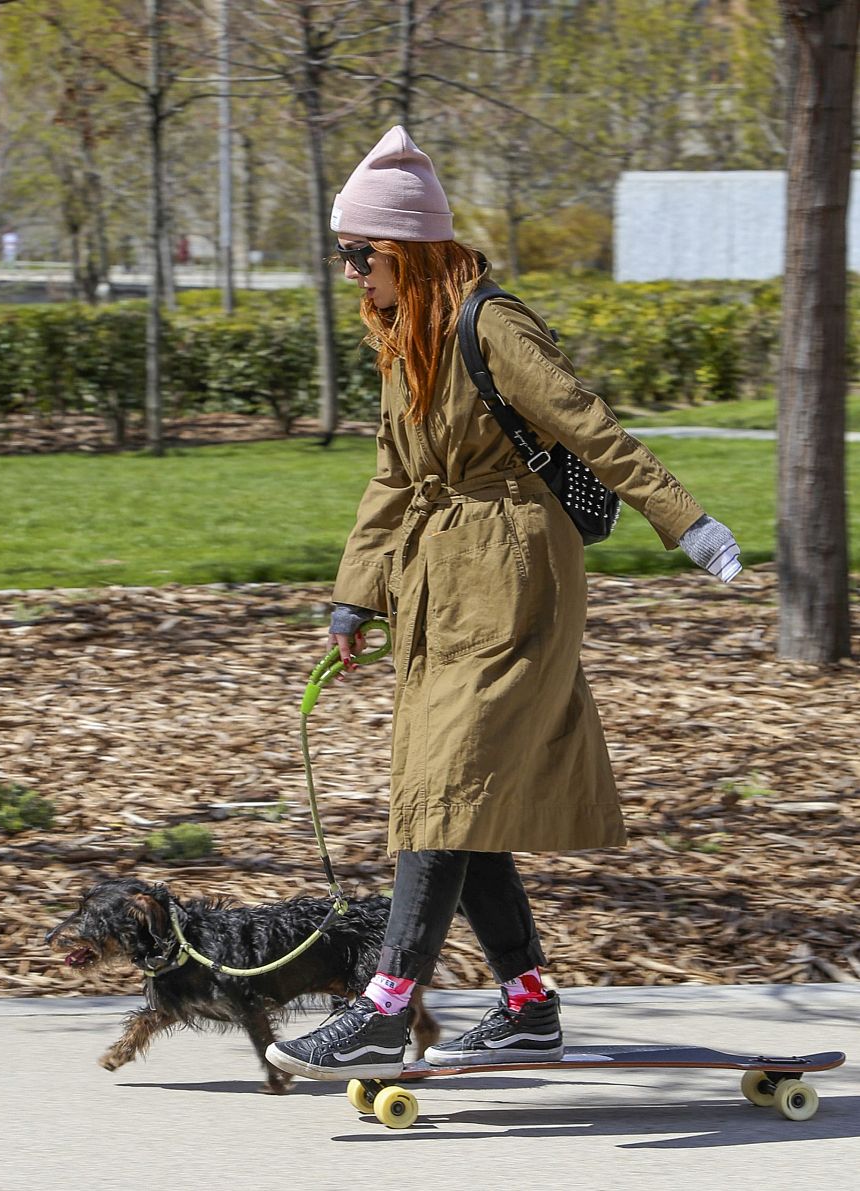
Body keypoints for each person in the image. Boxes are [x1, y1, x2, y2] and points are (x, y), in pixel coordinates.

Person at [266, 126, 742, 1083]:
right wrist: (353, 598)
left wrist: (685, 520)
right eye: (345, 255)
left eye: (359, 255)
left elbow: (588, 424)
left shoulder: (493, 326)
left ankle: (384, 1007)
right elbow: (391, 478)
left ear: (403, 250)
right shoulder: (405, 342)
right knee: (454, 790)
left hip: (518, 579)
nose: (349, 273)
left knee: (443, 786)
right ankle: (528, 1005)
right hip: (437, 589)